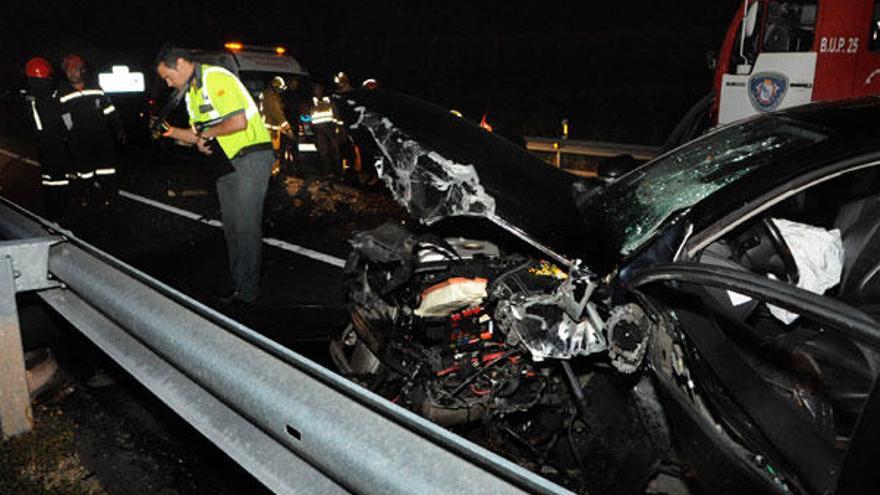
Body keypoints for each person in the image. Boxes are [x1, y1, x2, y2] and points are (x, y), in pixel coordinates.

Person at [155, 46, 274, 306]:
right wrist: (169, 131)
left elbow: (238, 123)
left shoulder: (215, 78)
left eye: (168, 76)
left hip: (250, 155)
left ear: (182, 63)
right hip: (225, 162)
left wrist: (207, 134)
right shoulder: (191, 95)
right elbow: (198, 135)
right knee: (232, 229)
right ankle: (239, 286)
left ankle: (248, 294)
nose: (167, 83)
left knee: (245, 227)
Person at [57, 54, 125, 208]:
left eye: (75, 70)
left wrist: (118, 128)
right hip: (79, 140)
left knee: (107, 170)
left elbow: (109, 109)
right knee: (84, 172)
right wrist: (67, 135)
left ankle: (111, 196)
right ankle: (86, 197)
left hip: (102, 138)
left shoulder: (95, 87)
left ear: (82, 70)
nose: (72, 74)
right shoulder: (62, 91)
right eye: (68, 71)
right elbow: (62, 116)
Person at [24, 57, 71, 220]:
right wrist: (69, 132)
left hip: (43, 146)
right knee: (58, 181)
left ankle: (51, 215)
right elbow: (62, 120)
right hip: (54, 145)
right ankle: (60, 218)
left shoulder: (33, 97)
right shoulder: (47, 98)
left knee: (48, 180)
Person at [258, 76, 294, 174]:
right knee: (274, 153)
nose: (280, 92)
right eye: (279, 89)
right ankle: (273, 176)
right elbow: (277, 114)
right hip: (270, 131)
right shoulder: (272, 98)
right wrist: (288, 129)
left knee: (269, 153)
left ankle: (271, 174)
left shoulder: (265, 95)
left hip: (267, 129)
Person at [310, 82, 342, 177]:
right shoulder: (310, 102)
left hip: (330, 129)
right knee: (324, 152)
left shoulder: (328, 100)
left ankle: (339, 172)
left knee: (335, 150)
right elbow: (308, 117)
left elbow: (336, 114)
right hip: (318, 130)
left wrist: (339, 127)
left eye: (319, 89)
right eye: (316, 89)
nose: (318, 91)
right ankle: (328, 172)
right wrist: (311, 131)